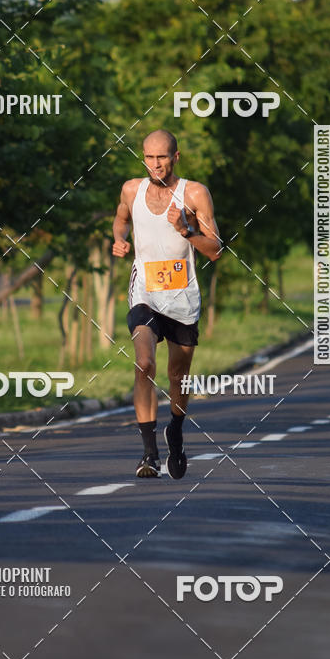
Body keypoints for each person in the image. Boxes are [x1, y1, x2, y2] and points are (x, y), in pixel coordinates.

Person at [112, 129, 221, 479]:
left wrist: (187, 230)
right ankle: (149, 453)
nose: (154, 164)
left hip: (182, 295)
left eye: (161, 157)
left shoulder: (194, 193)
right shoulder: (132, 189)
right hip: (144, 290)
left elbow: (216, 249)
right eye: (148, 157)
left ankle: (175, 428)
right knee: (144, 363)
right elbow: (121, 220)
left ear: (175, 157)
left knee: (178, 376)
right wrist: (119, 241)